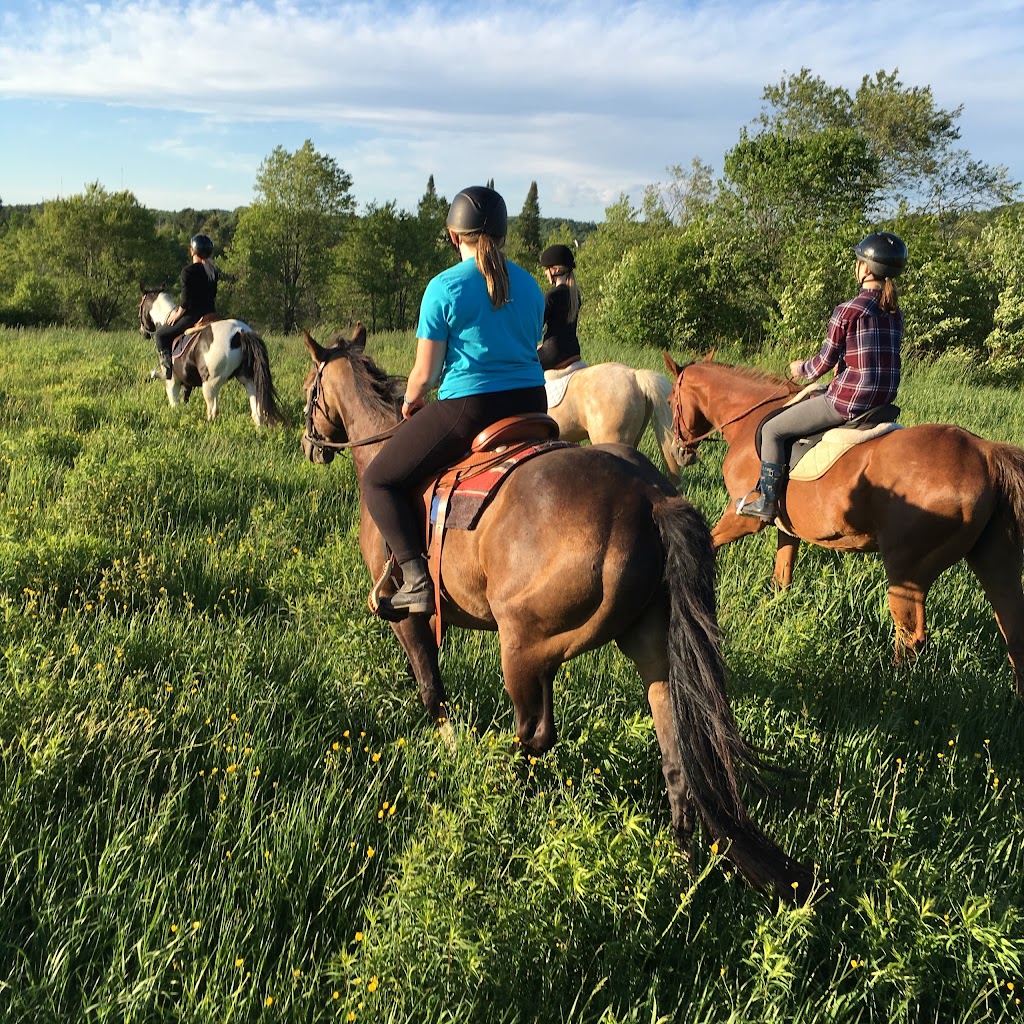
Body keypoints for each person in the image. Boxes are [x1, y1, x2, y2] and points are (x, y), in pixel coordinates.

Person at [362, 186, 547, 618]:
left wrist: (411, 401)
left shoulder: (443, 288)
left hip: (472, 407)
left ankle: (415, 578)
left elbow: (424, 375)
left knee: (379, 481)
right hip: (534, 405)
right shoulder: (532, 286)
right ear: (502, 236)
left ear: (452, 235)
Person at [738, 231, 907, 521]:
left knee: (772, 430)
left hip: (848, 402)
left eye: (858, 261)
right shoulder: (895, 312)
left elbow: (822, 364)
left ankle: (767, 502)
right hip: (882, 402)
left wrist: (799, 368)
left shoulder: (848, 310)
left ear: (865, 268)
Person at [151, 234, 219, 380]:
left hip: (192, 316)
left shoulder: (187, 271)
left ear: (192, 250)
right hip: (211, 314)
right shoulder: (213, 271)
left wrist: (177, 314)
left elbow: (186, 301)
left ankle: (167, 371)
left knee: (160, 335)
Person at [537, 243, 582, 371]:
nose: (545, 273)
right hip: (573, 350)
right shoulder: (575, 295)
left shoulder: (552, 296)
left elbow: (536, 327)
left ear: (556, 270)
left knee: (521, 366)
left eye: (547, 269)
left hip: (553, 353)